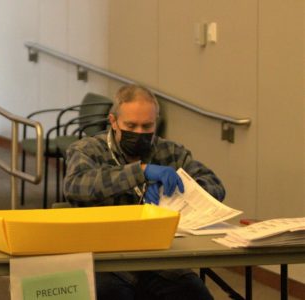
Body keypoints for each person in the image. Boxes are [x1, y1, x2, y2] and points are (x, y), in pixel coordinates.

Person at [63, 84, 225, 300]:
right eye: (131, 125)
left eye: (147, 126)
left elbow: (214, 185)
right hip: (104, 259)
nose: (139, 133)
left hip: (159, 260)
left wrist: (175, 192)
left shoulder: (170, 152)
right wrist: (140, 172)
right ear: (113, 121)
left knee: (196, 294)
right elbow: (76, 185)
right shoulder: (87, 149)